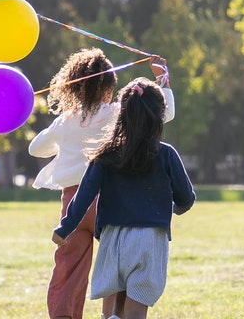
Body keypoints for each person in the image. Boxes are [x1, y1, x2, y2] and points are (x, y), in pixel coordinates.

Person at [29, 48, 174, 319]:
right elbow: (163, 114)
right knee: (119, 263)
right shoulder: (118, 112)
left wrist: (65, 142)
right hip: (110, 201)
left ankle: (63, 315)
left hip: (72, 203)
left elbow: (36, 149)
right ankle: (116, 314)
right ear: (109, 86)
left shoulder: (66, 119)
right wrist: (163, 79)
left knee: (68, 266)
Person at [51, 77, 195, 319]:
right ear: (160, 116)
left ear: (122, 114)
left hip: (112, 239)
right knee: (136, 308)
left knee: (114, 307)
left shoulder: (106, 154)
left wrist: (64, 228)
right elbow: (186, 198)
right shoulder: (166, 154)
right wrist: (173, 208)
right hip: (150, 239)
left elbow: (84, 195)